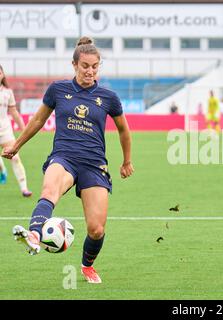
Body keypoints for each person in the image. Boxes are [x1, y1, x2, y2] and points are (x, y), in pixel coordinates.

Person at [1, 37, 134, 284]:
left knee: (96, 229)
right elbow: (38, 121)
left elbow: (124, 130)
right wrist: (16, 145)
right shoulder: (58, 90)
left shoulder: (108, 97)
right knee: (50, 190)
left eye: (95, 66)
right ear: (74, 65)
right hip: (64, 156)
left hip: (94, 164)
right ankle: (33, 234)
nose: (90, 71)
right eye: (85, 66)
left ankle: (87, 266)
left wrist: (127, 161)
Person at [0, 65, 32, 196]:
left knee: (15, 158)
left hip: (5, 130)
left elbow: (13, 112)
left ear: (3, 74)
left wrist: (24, 128)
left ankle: (24, 188)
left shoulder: (8, 92)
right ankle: (2, 171)